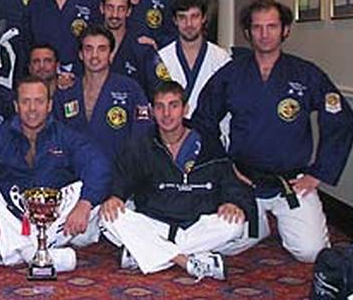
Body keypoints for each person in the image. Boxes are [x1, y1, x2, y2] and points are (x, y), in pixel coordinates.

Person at [193, 0, 353, 263]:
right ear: (247, 32)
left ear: (285, 30)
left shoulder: (306, 74)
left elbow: (342, 121)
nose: (264, 34)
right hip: (243, 181)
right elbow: (203, 121)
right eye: (257, 27)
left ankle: (278, 221)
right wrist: (224, 166)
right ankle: (258, 226)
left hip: (292, 183)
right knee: (223, 243)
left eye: (271, 26)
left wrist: (318, 173)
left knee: (311, 252)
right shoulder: (231, 74)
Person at [100, 82, 255, 280]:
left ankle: (145, 251)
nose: (166, 114)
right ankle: (187, 261)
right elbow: (122, 177)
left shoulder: (208, 143)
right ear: (152, 111)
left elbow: (229, 180)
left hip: (196, 226)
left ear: (185, 109)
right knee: (108, 218)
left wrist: (232, 202)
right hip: (155, 223)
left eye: (173, 105)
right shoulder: (141, 145)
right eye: (160, 107)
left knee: (234, 224)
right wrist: (115, 196)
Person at [0, 76, 110, 271]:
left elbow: (98, 164)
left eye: (38, 101)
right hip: (12, 218)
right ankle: (42, 254)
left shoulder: (65, 135)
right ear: (16, 106)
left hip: (55, 220)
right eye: (25, 102)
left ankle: (16, 250)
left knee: (82, 189)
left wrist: (85, 203)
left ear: (49, 105)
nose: (32, 108)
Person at [53, 24, 152, 158]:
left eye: (102, 49)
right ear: (81, 54)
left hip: (118, 168)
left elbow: (143, 135)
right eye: (88, 49)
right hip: (75, 169)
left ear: (111, 54)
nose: (94, 56)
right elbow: (56, 139)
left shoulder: (130, 90)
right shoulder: (67, 92)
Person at [158, 0, 231, 117]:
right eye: (182, 17)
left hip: (210, 127)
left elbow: (228, 104)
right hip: (172, 127)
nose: (189, 24)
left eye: (194, 16)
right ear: (175, 20)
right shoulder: (162, 58)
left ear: (204, 18)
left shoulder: (221, 59)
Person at [100, 0, 165, 99]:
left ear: (129, 11)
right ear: (102, 8)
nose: (115, 14)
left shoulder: (142, 48)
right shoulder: (89, 45)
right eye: (110, 7)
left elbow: (161, 90)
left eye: (121, 9)